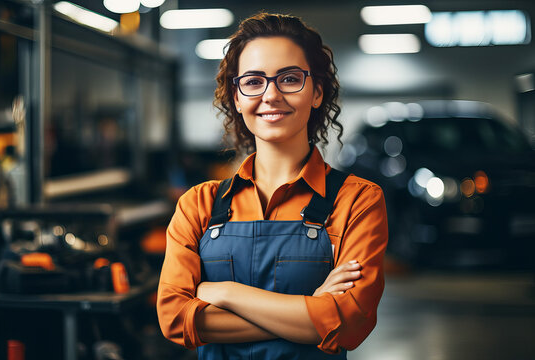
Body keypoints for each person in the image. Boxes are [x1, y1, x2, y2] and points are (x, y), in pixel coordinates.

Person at [157, 12, 388, 359]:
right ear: (237, 97)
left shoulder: (357, 200)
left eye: (290, 79)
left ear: (316, 92)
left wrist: (225, 293)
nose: (271, 95)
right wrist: (313, 310)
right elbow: (175, 318)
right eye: (253, 81)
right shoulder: (198, 205)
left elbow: (350, 323)